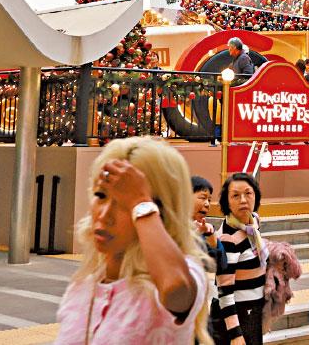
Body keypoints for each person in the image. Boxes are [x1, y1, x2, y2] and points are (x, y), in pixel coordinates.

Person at [54, 137, 209, 344]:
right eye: (101, 195)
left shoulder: (177, 277)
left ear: (158, 212)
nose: (105, 214)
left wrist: (139, 202)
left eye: (124, 203)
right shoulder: (82, 286)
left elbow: (176, 288)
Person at [212, 172, 266, 345]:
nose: (243, 200)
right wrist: (235, 334)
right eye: (235, 195)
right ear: (226, 202)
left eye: (248, 193)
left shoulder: (252, 224)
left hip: (252, 311)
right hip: (235, 316)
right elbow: (224, 292)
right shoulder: (228, 239)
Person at [191, 175, 227, 276]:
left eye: (209, 200)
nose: (207, 204)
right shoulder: (172, 227)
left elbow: (221, 266)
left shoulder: (206, 230)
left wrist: (211, 237)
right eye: (203, 198)